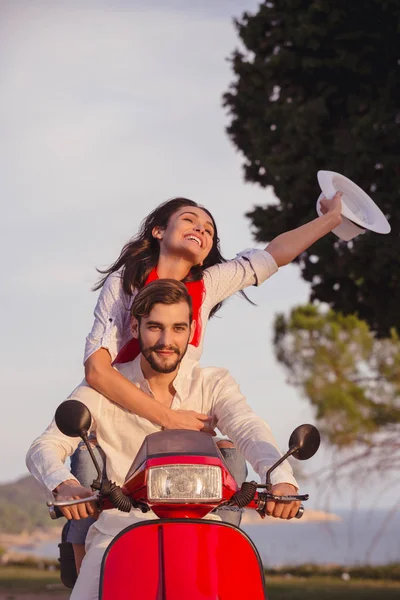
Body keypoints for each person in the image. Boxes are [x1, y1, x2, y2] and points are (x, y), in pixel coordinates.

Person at [69, 193, 342, 568]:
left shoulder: (209, 283)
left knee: (229, 473)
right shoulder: (124, 283)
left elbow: (275, 253)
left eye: (209, 228)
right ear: (158, 230)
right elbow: (96, 371)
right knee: (87, 488)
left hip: (183, 424)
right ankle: (85, 574)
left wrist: (331, 219)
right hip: (124, 421)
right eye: (189, 220)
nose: (201, 228)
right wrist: (168, 418)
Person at [27, 280, 302, 600]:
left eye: (178, 328)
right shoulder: (105, 388)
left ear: (191, 330)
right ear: (135, 326)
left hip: (204, 534)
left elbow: (246, 427)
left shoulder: (213, 383)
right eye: (155, 327)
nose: (166, 340)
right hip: (119, 532)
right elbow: (44, 446)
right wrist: (64, 483)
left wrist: (281, 479)